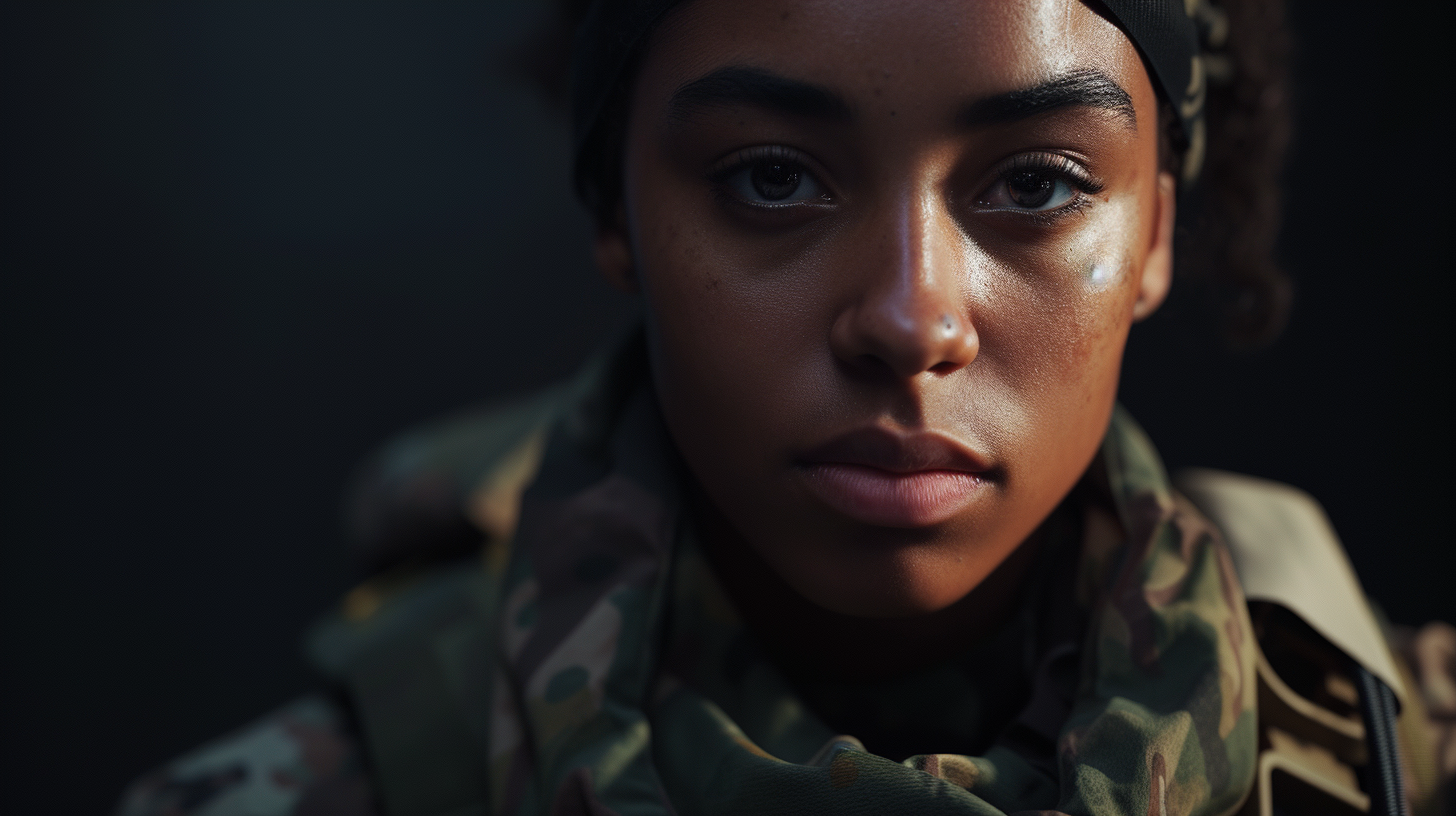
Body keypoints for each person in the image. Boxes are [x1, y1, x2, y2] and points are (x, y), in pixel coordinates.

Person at [114, 1, 1454, 815]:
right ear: (618, 215)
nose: (910, 319)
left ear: (1155, 235)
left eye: (1038, 185)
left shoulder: (1414, 757)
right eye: (770, 179)